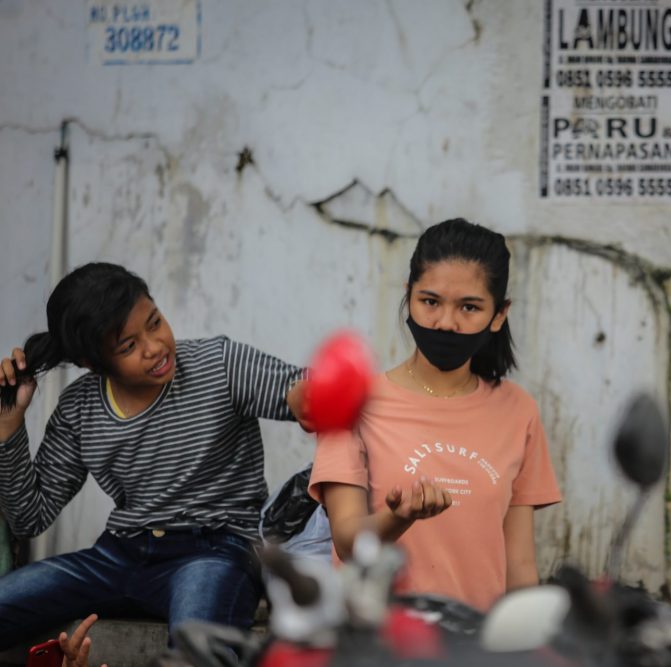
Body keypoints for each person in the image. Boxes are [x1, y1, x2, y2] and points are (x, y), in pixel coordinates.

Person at [0, 262, 310, 648]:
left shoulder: (220, 364)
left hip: (217, 551)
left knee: (197, 648)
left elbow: (305, 388)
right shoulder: (79, 408)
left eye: (155, 321)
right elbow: (30, 516)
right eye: (128, 346)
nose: (155, 346)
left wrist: (306, 400)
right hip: (120, 555)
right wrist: (9, 429)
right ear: (92, 364)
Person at [309, 218, 562, 612]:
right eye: (430, 302)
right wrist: (398, 517)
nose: (446, 322)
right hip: (378, 642)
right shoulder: (354, 404)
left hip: (477, 644)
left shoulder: (519, 410)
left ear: (499, 315)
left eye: (469, 307)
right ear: (408, 297)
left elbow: (520, 563)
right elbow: (347, 541)